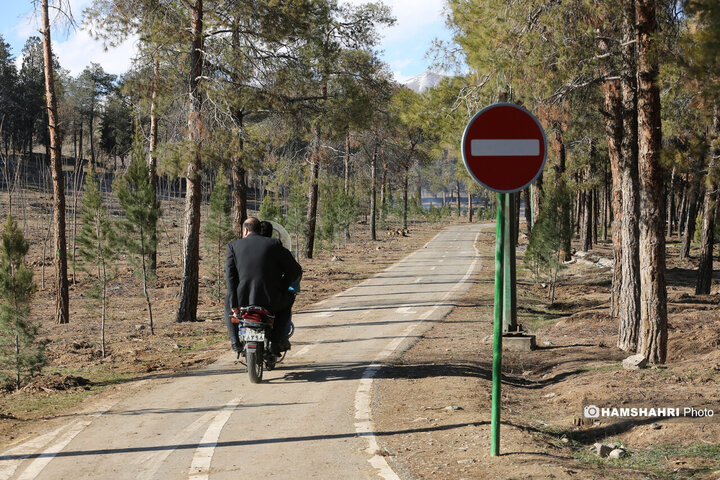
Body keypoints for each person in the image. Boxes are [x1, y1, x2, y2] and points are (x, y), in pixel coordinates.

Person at [224, 217, 302, 356]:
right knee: (288, 301)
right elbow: (295, 270)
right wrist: (283, 287)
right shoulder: (274, 244)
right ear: (259, 230)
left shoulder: (233, 247)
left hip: (243, 300)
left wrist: (233, 303)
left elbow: (230, 276)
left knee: (227, 305)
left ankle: (235, 342)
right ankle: (275, 341)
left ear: (245, 230)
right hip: (271, 300)